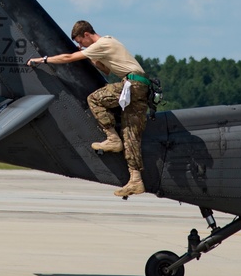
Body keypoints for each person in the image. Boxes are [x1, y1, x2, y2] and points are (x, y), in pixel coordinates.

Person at [27, 20, 150, 197]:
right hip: (141, 87)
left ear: (86, 34)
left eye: (79, 41)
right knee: (130, 134)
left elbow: (68, 58)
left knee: (94, 99)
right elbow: (106, 70)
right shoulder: (108, 42)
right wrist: (90, 56)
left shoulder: (102, 43)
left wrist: (43, 60)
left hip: (132, 84)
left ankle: (112, 138)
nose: (79, 45)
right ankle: (136, 180)